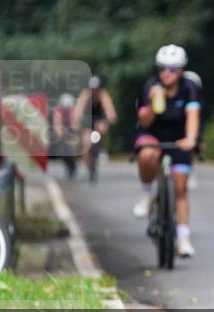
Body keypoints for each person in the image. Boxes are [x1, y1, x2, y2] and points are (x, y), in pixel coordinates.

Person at [132, 45, 201, 258]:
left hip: (179, 138)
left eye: (172, 69)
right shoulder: (151, 86)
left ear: (180, 70)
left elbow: (193, 116)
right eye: (162, 69)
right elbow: (143, 120)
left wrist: (190, 139)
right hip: (153, 134)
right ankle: (146, 194)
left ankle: (183, 237)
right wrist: (154, 102)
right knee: (146, 154)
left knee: (180, 187)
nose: (166, 73)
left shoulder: (189, 87)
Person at [75, 75, 118, 178]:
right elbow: (78, 109)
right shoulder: (85, 95)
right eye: (92, 89)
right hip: (87, 120)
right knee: (86, 144)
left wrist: (111, 117)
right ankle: (86, 166)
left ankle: (101, 148)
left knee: (102, 128)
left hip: (99, 118)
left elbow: (109, 109)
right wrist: (76, 120)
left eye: (96, 89)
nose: (94, 91)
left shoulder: (103, 95)